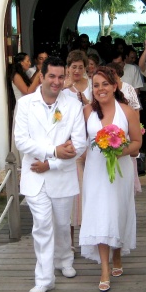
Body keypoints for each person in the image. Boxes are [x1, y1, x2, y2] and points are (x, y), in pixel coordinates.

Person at [14, 56, 87, 292]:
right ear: (41, 76)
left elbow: (79, 144)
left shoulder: (73, 105)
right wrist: (53, 151)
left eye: (60, 77)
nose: (56, 82)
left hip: (61, 175)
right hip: (34, 176)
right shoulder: (25, 104)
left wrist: (52, 164)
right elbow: (21, 141)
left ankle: (64, 259)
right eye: (51, 76)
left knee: (62, 223)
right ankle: (44, 278)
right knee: (42, 226)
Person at [79, 66, 142, 292]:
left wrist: (119, 151)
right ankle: (104, 268)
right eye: (96, 85)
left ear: (115, 86)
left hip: (120, 172)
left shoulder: (126, 111)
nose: (100, 89)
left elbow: (136, 143)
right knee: (99, 214)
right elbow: (81, 143)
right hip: (95, 172)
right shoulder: (86, 112)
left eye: (105, 84)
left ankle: (117, 254)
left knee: (117, 212)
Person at [62, 50, 92, 248]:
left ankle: (90, 240)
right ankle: (70, 243)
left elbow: (98, 109)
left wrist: (86, 102)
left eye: (81, 67)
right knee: (73, 194)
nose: (77, 70)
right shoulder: (62, 88)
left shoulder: (91, 85)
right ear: (68, 68)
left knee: (90, 190)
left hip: (89, 139)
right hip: (70, 142)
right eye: (74, 67)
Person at [106, 62, 143, 193]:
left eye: (113, 73)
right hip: (111, 130)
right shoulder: (107, 89)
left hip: (127, 128)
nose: (111, 76)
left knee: (128, 157)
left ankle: (129, 185)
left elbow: (136, 109)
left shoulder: (128, 88)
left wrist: (136, 128)